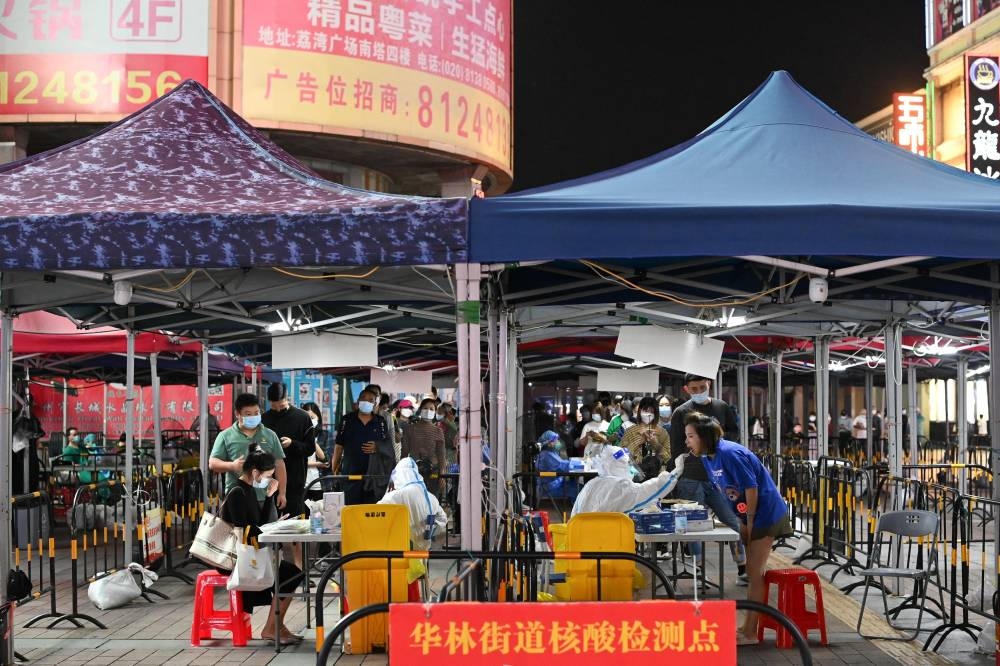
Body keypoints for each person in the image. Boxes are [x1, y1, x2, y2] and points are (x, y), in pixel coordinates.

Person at [684, 412, 791, 645]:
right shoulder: (707, 457)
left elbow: (751, 487)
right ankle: (746, 626)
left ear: (704, 437)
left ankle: (752, 633)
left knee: (754, 573)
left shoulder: (730, 453)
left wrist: (749, 521)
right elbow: (727, 491)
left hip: (766, 512)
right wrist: (740, 520)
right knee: (753, 573)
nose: (687, 441)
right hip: (747, 514)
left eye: (691, 436)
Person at [217, 449, 302, 646]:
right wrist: (270, 528)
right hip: (239, 558)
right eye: (267, 476)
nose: (268, 479)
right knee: (291, 575)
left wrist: (270, 497)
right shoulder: (238, 492)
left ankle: (275, 625)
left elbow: (259, 522)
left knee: (294, 573)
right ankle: (272, 627)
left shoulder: (249, 490)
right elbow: (244, 529)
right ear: (255, 473)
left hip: (251, 552)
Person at [669, 373, 747, 580]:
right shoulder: (680, 412)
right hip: (690, 477)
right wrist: (675, 476)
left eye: (702, 387)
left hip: (719, 476)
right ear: (686, 389)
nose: (698, 392)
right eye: (693, 389)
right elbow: (675, 446)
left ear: (709, 384)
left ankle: (743, 566)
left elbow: (734, 434)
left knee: (732, 520)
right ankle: (698, 567)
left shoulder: (722, 407)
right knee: (693, 525)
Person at [209, 393, 287, 510]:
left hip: (265, 497)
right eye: (248, 414)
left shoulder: (270, 435)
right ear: (237, 414)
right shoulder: (225, 435)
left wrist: (282, 492)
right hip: (237, 497)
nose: (253, 417)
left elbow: (280, 465)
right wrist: (232, 466)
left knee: (266, 528)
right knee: (238, 528)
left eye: (256, 413)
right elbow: (212, 463)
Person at [571, 445, 680, 517]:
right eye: (627, 464)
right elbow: (648, 490)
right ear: (618, 465)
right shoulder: (620, 485)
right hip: (609, 546)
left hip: (582, 544)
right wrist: (674, 473)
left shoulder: (590, 484)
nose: (630, 468)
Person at [261, 383, 315, 522]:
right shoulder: (263, 419)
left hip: (295, 480)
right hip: (267, 481)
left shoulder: (302, 418)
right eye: (274, 407)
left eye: (281, 406)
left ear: (287, 399)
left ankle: (293, 545)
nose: (278, 410)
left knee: (293, 524)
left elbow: (310, 448)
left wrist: (293, 444)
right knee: (266, 524)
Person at [331, 388, 392, 504]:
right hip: (350, 473)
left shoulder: (380, 421)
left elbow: (388, 444)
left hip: (373, 475)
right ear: (358, 401)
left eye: (370, 400)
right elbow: (339, 446)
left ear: (375, 404)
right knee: (350, 508)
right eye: (363, 398)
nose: (366, 401)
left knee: (370, 510)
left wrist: (377, 446)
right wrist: (334, 467)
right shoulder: (347, 420)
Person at [377, 457, 447, 551]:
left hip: (399, 554)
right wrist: (428, 531)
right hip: (422, 554)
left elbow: (376, 513)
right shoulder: (431, 497)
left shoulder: (395, 496)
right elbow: (443, 519)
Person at [401, 398, 447, 493]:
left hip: (433, 472)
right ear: (420, 410)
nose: (428, 411)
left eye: (431, 409)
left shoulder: (438, 431)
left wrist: (442, 474)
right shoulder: (410, 429)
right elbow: (404, 452)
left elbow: (441, 455)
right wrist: (402, 471)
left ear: (434, 412)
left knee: (432, 503)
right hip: (414, 472)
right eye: (425, 408)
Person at [620, 397, 670, 477]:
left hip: (656, 479)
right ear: (639, 411)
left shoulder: (662, 433)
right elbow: (619, 456)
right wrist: (637, 442)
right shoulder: (630, 432)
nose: (648, 414)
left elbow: (668, 459)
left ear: (656, 413)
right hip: (634, 477)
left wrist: (656, 445)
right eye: (645, 411)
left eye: (652, 411)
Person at [534, 430, 576, 500]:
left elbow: (562, 463)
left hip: (557, 484)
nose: (557, 442)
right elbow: (563, 466)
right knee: (579, 490)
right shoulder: (546, 455)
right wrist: (579, 464)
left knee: (580, 487)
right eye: (555, 440)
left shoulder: (551, 452)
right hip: (551, 488)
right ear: (547, 443)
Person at [301, 402, 329, 501]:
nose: (310, 421)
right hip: (302, 482)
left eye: (312, 418)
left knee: (321, 513)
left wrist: (311, 436)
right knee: (303, 514)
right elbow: (296, 461)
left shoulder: (325, 435)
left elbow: (325, 460)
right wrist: (316, 464)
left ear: (318, 417)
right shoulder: (298, 436)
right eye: (307, 419)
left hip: (319, 482)